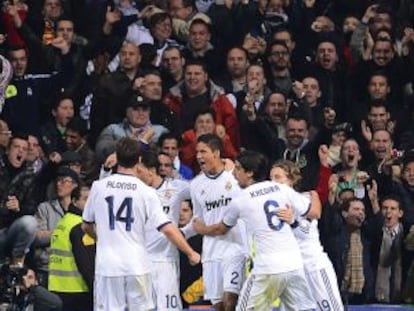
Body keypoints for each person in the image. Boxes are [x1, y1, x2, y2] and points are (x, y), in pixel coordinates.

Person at [82, 137, 200, 311]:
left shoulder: (99, 187)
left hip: (107, 266)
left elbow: (86, 226)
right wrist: (190, 252)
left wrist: (104, 238)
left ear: (117, 157)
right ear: (138, 161)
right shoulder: (145, 191)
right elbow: (167, 228)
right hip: (137, 264)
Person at [192, 150, 317, 311]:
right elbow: (313, 212)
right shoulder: (281, 189)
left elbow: (221, 229)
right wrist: (311, 198)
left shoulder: (240, 200)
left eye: (237, 169)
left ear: (250, 172)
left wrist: (201, 228)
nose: (234, 173)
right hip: (293, 265)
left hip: (266, 268)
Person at [270, 160, 344, 311]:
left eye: (278, 177)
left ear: (291, 180)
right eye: (271, 178)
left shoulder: (304, 199)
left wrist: (292, 220)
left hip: (313, 266)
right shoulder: (269, 206)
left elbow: (306, 231)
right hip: (291, 272)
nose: (273, 182)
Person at [189, 133, 248, 311]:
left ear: (216, 153)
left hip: (236, 248)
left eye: (203, 151)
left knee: (231, 300)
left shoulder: (235, 176)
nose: (198, 156)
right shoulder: (196, 185)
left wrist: (205, 229)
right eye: (197, 152)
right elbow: (198, 220)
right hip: (211, 253)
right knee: (219, 305)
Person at [135, 150, 190, 310]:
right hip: (140, 261)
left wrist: (189, 229)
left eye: (139, 170)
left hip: (165, 260)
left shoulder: (175, 188)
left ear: (151, 170)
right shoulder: (136, 192)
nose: (135, 175)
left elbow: (202, 192)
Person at [48, 185, 94, 311]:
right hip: (77, 291)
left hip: (57, 287)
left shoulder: (64, 221)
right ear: (74, 201)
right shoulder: (81, 226)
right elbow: (86, 262)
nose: (90, 204)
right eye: (86, 199)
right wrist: (95, 289)